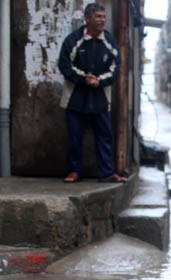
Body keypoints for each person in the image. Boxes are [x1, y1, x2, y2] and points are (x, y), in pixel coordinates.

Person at [58, 3, 126, 184]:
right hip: (75, 96)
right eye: (98, 17)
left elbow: (116, 67)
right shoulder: (73, 40)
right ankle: (74, 171)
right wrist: (84, 78)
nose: (102, 20)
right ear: (87, 19)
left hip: (100, 97)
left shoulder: (109, 41)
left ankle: (107, 173)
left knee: (104, 135)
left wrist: (99, 81)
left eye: (103, 17)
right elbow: (64, 65)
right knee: (75, 136)